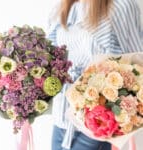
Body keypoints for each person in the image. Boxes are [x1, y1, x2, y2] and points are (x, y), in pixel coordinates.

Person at [47, 0, 143, 150]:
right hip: (61, 119)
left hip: (96, 122)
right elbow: (51, 60)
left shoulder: (120, 6)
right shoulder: (61, 8)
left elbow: (138, 63)